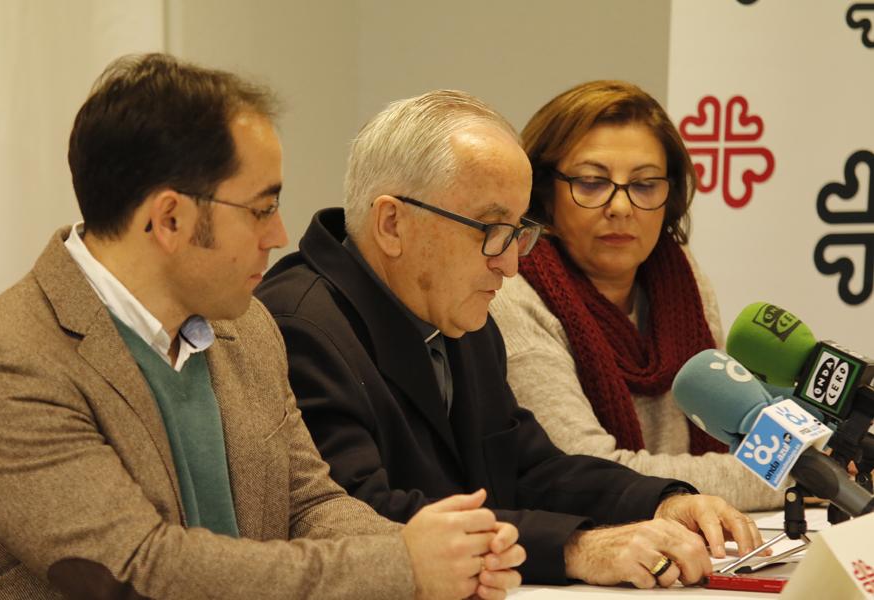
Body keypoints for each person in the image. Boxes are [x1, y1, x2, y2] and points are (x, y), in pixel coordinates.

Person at [0, 54, 526, 600]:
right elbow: (137, 570)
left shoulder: (248, 327)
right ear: (170, 219)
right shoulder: (7, 359)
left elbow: (311, 504)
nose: (279, 234)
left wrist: (451, 561)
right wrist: (402, 566)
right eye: (262, 209)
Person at [255, 89, 765, 590]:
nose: (511, 263)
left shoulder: (454, 310)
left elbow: (531, 467)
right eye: (491, 229)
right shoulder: (301, 329)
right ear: (393, 224)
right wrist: (575, 547)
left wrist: (662, 501)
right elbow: (366, 515)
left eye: (518, 230)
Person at [487, 80, 783, 512]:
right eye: (591, 182)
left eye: (644, 185)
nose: (621, 207)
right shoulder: (512, 290)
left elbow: (736, 432)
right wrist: (788, 471)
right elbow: (590, 471)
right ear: (543, 192)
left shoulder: (681, 277)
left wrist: (811, 452)